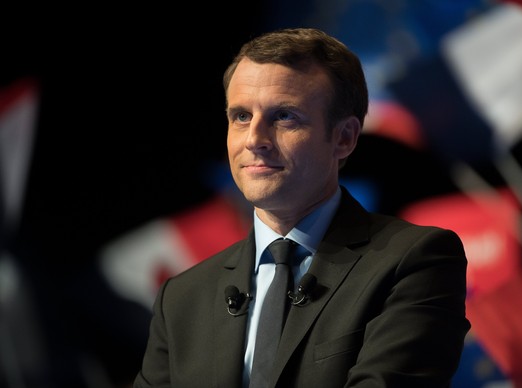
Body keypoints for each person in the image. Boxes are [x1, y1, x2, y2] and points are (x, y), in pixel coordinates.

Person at [133, 27, 471, 388]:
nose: (254, 140)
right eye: (241, 116)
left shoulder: (414, 260)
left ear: (344, 138)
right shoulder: (183, 298)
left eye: (284, 117)